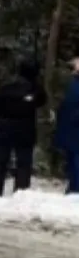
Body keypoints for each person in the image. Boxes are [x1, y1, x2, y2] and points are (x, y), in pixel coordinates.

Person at [0, 58, 46, 195]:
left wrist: (3, 116)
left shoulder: (5, 87)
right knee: (23, 164)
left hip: (4, 130)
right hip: (25, 132)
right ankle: (21, 192)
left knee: (0, 161)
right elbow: (42, 100)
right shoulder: (35, 90)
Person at [55, 58, 79, 194]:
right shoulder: (72, 86)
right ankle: (74, 189)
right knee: (74, 161)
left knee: (74, 161)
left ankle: (74, 189)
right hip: (73, 130)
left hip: (70, 130)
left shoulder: (71, 85)